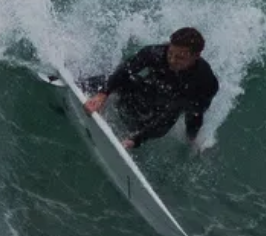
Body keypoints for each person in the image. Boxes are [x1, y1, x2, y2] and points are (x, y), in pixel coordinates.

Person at [83, 27, 219, 150]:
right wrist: (102, 95)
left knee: (177, 106)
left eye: (180, 57)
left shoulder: (205, 81)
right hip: (139, 99)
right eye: (171, 53)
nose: (172, 60)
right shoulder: (155, 53)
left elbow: (195, 114)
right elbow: (124, 71)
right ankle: (78, 85)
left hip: (154, 120)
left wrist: (191, 139)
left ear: (196, 56)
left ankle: (132, 140)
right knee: (124, 79)